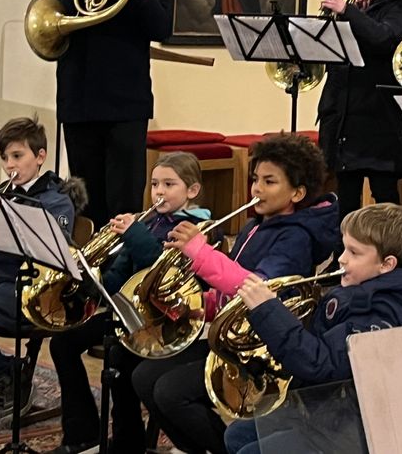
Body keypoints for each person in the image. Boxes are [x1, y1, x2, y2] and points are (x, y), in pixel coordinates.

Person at [131, 133, 340, 454]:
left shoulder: (296, 237)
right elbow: (228, 290)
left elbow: (256, 289)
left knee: (171, 393)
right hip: (233, 334)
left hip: (262, 348)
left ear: (297, 193)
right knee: (144, 377)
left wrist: (200, 253)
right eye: (255, 179)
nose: (256, 188)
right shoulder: (254, 226)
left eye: (269, 181)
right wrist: (196, 306)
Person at [222, 202, 402, 454]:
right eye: (344, 247)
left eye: (354, 253)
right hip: (327, 407)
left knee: (248, 451)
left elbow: (321, 365)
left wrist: (269, 312)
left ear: (386, 264)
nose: (341, 258)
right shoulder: (363, 288)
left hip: (353, 427)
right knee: (237, 435)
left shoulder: (380, 316)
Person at [48, 152, 209, 454]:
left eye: (169, 184)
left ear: (192, 190)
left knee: (120, 358)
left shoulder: (195, 228)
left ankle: (127, 441)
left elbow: (162, 273)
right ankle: (82, 432)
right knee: (63, 342)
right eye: (154, 184)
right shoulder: (150, 222)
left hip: (164, 322)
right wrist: (91, 281)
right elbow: (120, 275)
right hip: (129, 311)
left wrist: (135, 234)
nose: (159, 192)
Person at [44, 0, 171, 228]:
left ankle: (123, 263)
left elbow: (163, 29)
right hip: (80, 103)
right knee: (87, 204)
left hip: (126, 106)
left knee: (124, 203)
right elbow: (51, 32)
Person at [0, 116, 77, 416]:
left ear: (40, 156)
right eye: (5, 158)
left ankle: (12, 372)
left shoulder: (56, 201)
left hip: (21, 291)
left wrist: (4, 215)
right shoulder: (5, 192)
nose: (10, 165)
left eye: (17, 156)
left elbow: (54, 254)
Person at [317, 0, 402, 225]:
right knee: (345, 196)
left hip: (378, 114)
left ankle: (390, 248)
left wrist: (347, 12)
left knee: (384, 196)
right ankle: (344, 249)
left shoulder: (400, 0)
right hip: (343, 111)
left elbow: (386, 38)